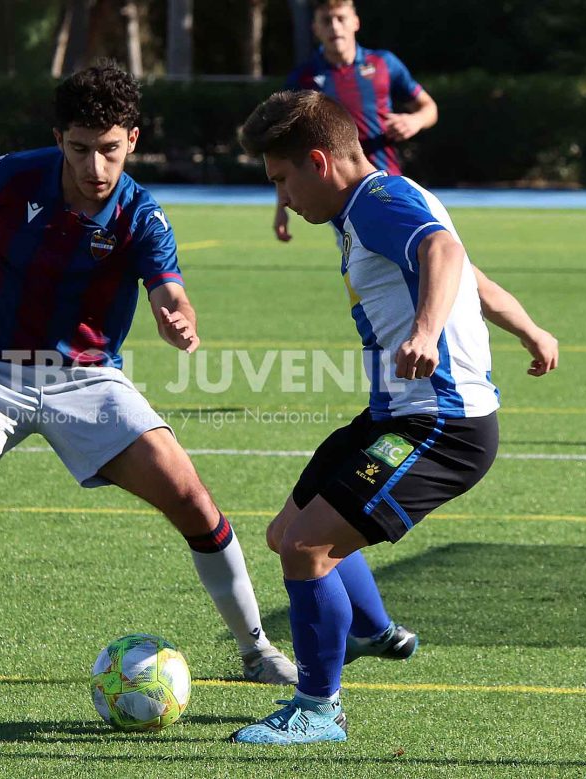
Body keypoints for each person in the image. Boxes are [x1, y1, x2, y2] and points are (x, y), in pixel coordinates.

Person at [0, 62, 297, 686]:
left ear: (133, 140)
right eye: (81, 149)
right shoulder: (11, 177)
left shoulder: (142, 216)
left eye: (110, 149)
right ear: (59, 137)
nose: (96, 166)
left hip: (88, 380)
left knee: (193, 502)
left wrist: (179, 319)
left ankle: (257, 651)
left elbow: (169, 290)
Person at [230, 90, 557, 744]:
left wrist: (427, 331)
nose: (283, 198)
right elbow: (471, 276)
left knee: (306, 547)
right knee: (287, 531)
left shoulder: (378, 202)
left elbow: (445, 252)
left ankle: (318, 709)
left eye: (282, 180)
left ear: (319, 162)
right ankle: (372, 631)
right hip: (394, 413)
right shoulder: (371, 205)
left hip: (441, 426)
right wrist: (530, 328)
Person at [273, 0, 438, 243]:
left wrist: (415, 120)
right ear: (315, 29)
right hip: (340, 194)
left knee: (419, 245)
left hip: (385, 181)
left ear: (355, 22)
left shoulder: (384, 63)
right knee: (371, 260)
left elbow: (429, 108)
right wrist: (282, 206)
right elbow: (284, 146)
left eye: (340, 18)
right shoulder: (303, 78)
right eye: (326, 21)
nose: (334, 27)